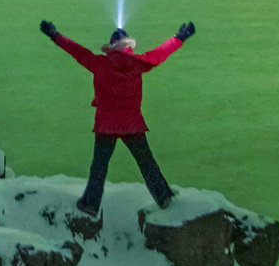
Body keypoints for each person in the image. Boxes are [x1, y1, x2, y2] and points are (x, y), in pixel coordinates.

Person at [39, 18, 197, 223]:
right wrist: (180, 37)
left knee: (99, 167)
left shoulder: (99, 63)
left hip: (106, 124)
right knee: (146, 162)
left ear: (112, 46)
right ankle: (164, 197)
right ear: (128, 45)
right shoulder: (139, 63)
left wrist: (54, 35)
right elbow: (161, 53)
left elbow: (77, 51)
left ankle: (90, 204)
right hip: (132, 123)